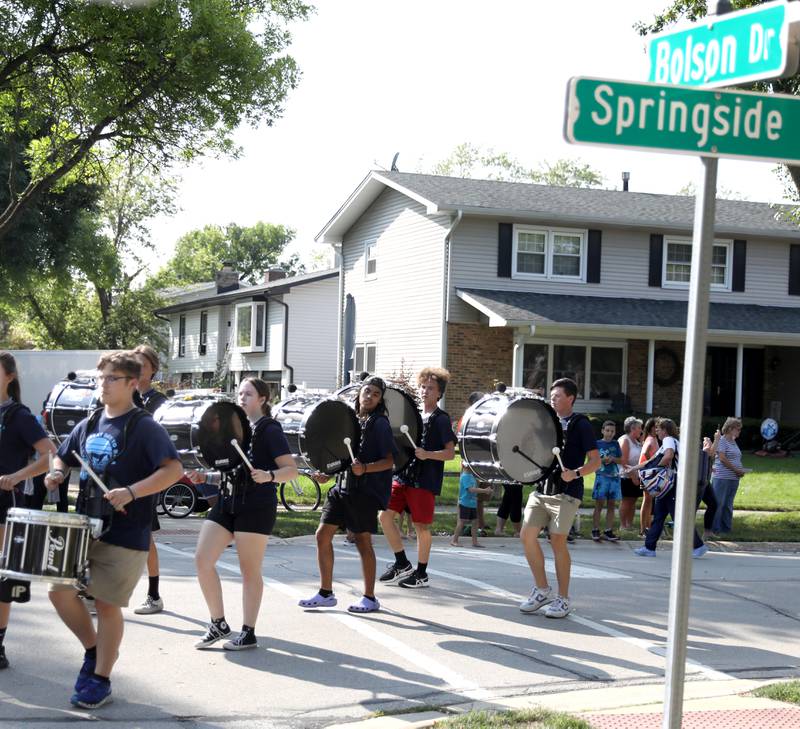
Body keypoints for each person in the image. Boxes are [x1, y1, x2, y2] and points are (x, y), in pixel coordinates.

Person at [45, 351, 182, 708]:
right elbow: (62, 453)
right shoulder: (90, 422)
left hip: (126, 530)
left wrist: (133, 491)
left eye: (110, 379)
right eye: (100, 378)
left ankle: (101, 678)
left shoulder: (144, 426)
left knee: (106, 604)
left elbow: (172, 469)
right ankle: (94, 651)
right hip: (84, 526)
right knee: (59, 592)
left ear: (132, 384)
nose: (102, 385)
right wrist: (57, 471)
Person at [191, 377, 297, 650]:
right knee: (202, 560)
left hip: (256, 505)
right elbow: (232, 471)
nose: (242, 398)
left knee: (249, 571)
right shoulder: (235, 428)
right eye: (239, 393)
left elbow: (291, 470)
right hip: (227, 502)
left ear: (262, 399)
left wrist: (270, 475)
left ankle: (248, 632)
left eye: (248, 394)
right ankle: (218, 623)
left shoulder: (268, 430)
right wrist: (206, 476)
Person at [299, 376, 395, 613]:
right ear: (360, 392)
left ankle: (370, 598)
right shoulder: (351, 420)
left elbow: (389, 461)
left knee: (363, 542)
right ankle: (325, 593)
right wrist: (327, 475)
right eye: (367, 391)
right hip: (341, 488)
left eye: (375, 394)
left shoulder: (379, 424)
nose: (370, 396)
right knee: (322, 535)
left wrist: (365, 468)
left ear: (380, 399)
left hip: (364, 492)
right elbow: (344, 459)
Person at [519, 378, 600, 619]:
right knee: (526, 536)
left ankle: (563, 599)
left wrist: (574, 473)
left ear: (571, 398)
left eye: (557, 396)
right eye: (551, 396)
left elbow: (595, 461)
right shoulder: (547, 422)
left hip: (566, 493)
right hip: (542, 489)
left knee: (557, 542)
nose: (552, 399)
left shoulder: (580, 424)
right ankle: (542, 589)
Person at [0, 352, 57, 671]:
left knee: (3, 577)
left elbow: (51, 455)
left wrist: (17, 476)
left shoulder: (19, 416)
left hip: (5, 504)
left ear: (10, 377)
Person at [378, 367, 456, 589]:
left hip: (424, 480)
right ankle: (402, 563)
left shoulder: (441, 419)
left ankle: (421, 574)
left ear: (439, 393)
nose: (425, 391)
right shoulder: (414, 415)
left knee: (422, 527)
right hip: (403, 475)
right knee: (384, 517)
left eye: (430, 388)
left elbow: (450, 453)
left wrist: (429, 454)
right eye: (423, 387)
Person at [630, 418, 707, 559]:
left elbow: (669, 456)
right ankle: (649, 547)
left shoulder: (668, 440)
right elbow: (649, 461)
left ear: (665, 430)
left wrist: (656, 470)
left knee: (678, 517)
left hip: (672, 484)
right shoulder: (670, 442)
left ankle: (698, 546)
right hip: (670, 484)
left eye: (658, 429)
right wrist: (633, 468)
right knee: (659, 516)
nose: (656, 431)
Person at [131, 344, 170, 616]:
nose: (137, 368)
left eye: (142, 364)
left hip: (148, 476)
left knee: (145, 537)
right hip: (124, 474)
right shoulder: (126, 395)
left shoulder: (159, 402)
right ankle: (94, 591)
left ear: (153, 369)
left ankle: (154, 595)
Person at [711, 418, 747, 536]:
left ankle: (726, 529)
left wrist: (740, 470)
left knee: (728, 504)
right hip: (722, 477)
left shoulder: (733, 441)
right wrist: (736, 469)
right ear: (730, 429)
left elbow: (735, 458)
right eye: (738, 429)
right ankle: (715, 529)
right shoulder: (721, 440)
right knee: (719, 503)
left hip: (733, 478)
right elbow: (722, 458)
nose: (739, 432)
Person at [592, 420, 622, 542]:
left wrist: (614, 459)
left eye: (612, 431)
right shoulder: (597, 444)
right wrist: (602, 460)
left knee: (611, 505)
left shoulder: (616, 444)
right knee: (599, 504)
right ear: (602, 431)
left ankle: (608, 530)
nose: (610, 433)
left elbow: (621, 460)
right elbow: (591, 459)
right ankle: (595, 529)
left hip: (614, 478)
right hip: (601, 477)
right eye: (607, 430)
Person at [450, 465, 492, 548]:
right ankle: (454, 540)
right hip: (465, 503)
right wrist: (484, 491)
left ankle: (474, 541)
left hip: (472, 503)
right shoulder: (465, 477)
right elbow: (471, 489)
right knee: (462, 522)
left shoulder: (471, 476)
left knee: (475, 522)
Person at [618, 417, 643, 532]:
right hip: (626, 476)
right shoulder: (625, 440)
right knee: (626, 500)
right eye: (639, 428)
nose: (641, 430)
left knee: (633, 500)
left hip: (636, 476)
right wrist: (632, 476)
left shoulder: (637, 442)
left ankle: (629, 525)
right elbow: (623, 461)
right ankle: (623, 525)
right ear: (632, 428)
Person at [638, 418, 659, 537]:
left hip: (651, 472)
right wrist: (652, 462)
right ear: (651, 428)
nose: (657, 429)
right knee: (647, 500)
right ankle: (642, 529)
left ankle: (647, 526)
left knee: (650, 500)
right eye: (656, 427)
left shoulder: (654, 439)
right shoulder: (650, 439)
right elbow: (645, 452)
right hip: (647, 473)